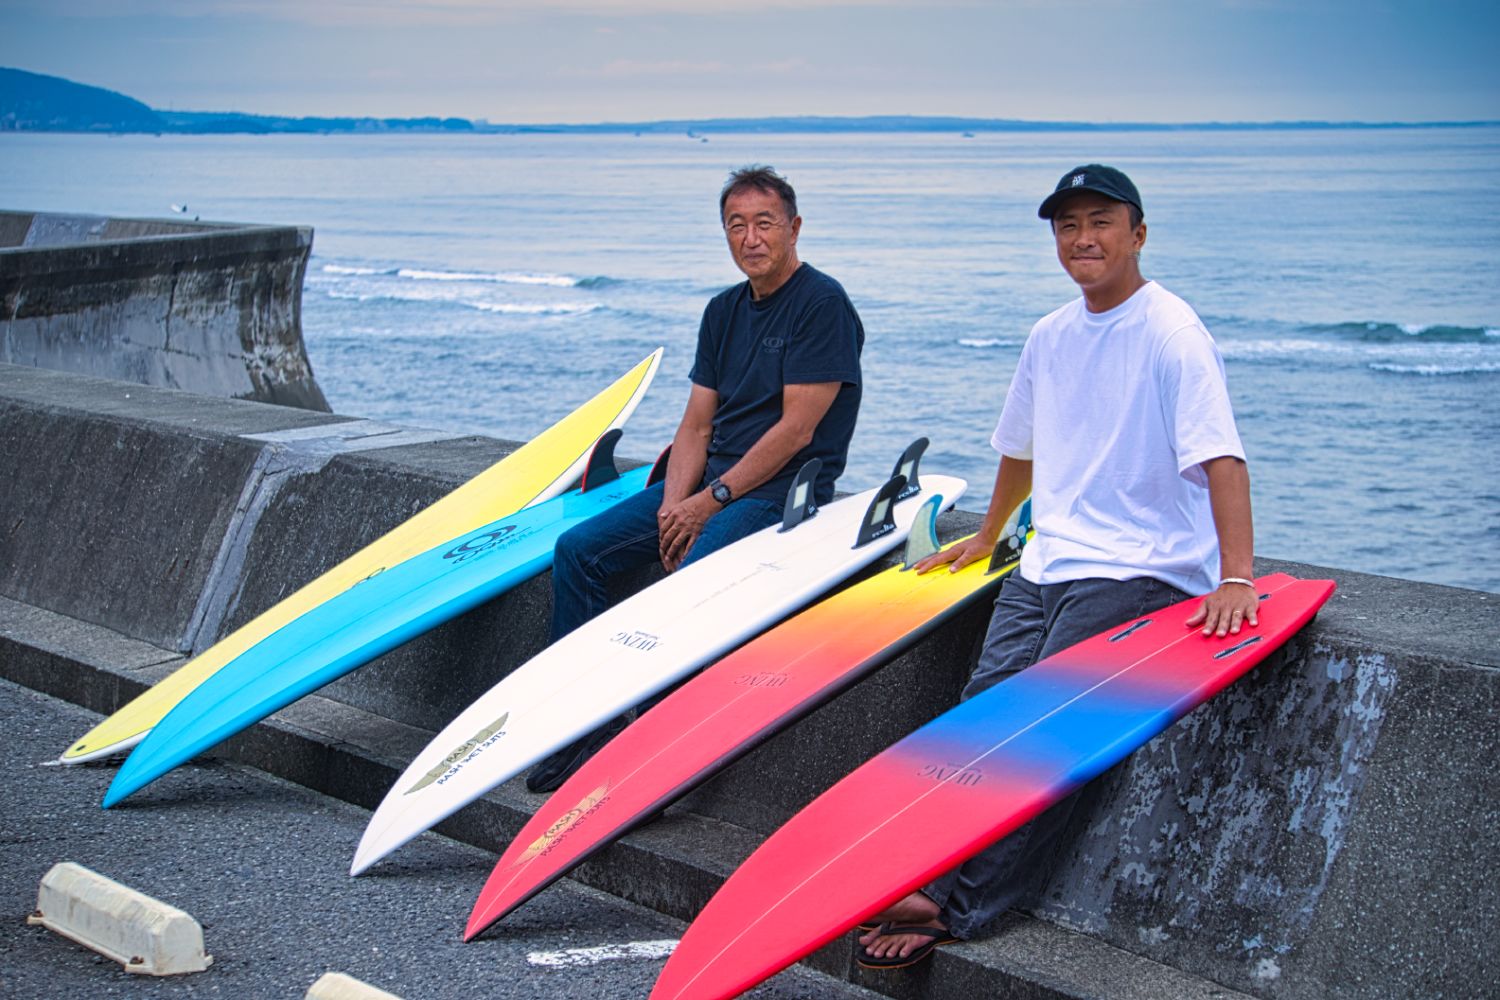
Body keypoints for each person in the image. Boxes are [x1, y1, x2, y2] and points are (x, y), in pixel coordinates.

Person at [856, 164, 1257, 969]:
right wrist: (991, 533)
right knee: (980, 716)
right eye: (1068, 226)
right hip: (1046, 561)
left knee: (1046, 740)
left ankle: (964, 905)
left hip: (1137, 568)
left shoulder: (1173, 332)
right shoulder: (1051, 334)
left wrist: (1237, 576)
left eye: (1101, 222)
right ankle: (937, 864)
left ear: (1137, 233)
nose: (1083, 239)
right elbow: (1021, 448)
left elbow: (1223, 459)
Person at [526, 165, 865, 793]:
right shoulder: (723, 310)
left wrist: (708, 503)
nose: (751, 237)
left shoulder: (822, 305)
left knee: (690, 584)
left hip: (778, 493)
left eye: (765, 223)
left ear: (794, 228)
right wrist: (672, 506)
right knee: (579, 551)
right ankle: (581, 727)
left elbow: (796, 431)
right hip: (710, 484)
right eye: (736, 225)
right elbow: (695, 426)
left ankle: (655, 759)